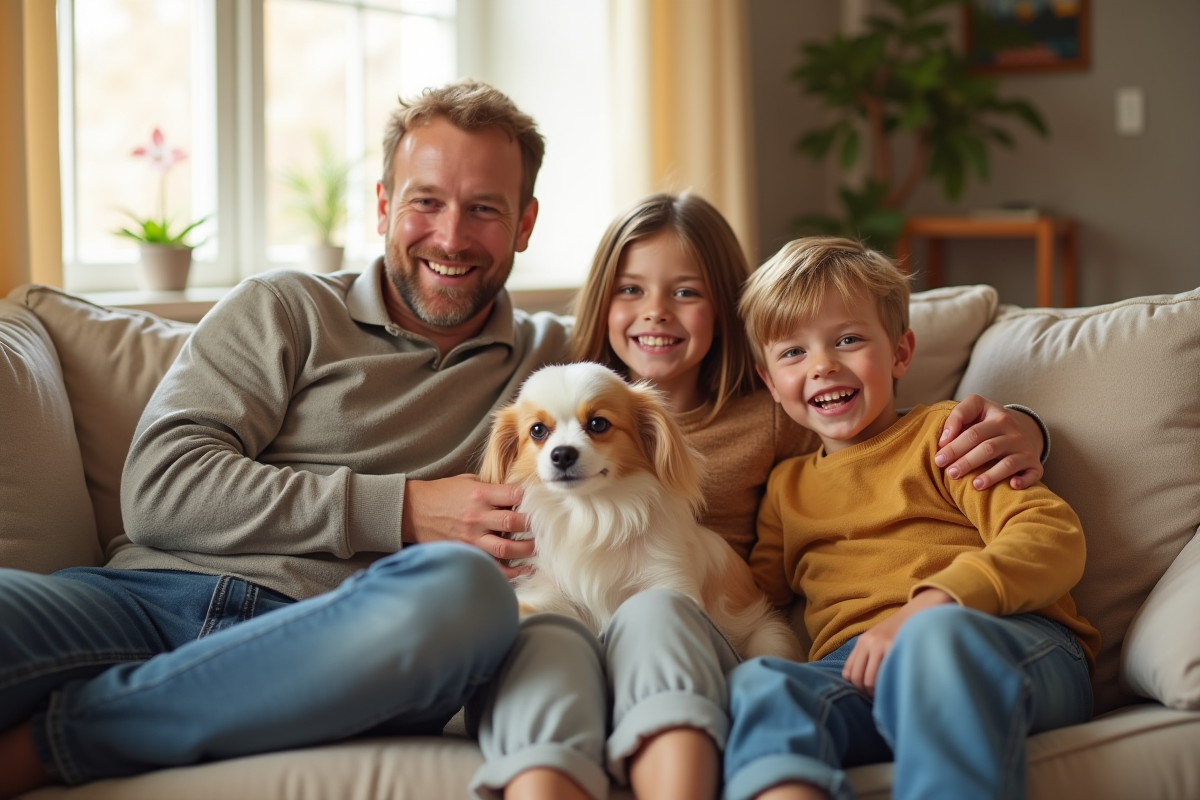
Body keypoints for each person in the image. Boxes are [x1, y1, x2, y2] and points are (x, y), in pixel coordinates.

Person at [0, 82, 1042, 798]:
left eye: (485, 210)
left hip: (343, 633)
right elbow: (160, 488)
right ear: (382, 205)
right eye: (427, 203)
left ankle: (64, 739)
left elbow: (788, 370)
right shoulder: (281, 308)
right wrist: (406, 504)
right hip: (148, 595)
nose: (452, 237)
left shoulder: (559, 369)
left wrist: (1012, 418)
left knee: (462, 590)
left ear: (527, 224)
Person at [469, 194, 1051, 800]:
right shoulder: (550, 385)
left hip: (699, 633)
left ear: (725, 311)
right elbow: (769, 576)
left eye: (686, 292)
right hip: (751, 653)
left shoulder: (775, 416)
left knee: (664, 616)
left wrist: (1028, 428)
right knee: (757, 688)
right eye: (631, 290)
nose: (656, 313)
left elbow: (867, 432)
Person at [723, 236, 1101, 800]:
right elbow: (755, 602)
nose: (823, 365)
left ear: (901, 353)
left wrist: (932, 604)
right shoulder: (787, 487)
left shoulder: (946, 438)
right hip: (859, 672)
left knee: (934, 641)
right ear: (770, 383)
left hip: (1004, 643)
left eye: (847, 340)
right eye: (793, 353)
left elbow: (1052, 536)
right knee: (761, 684)